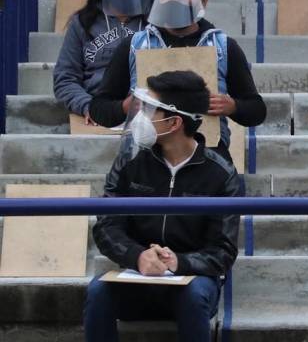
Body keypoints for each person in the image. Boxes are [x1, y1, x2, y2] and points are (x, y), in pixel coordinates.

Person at [84, 70, 240, 342]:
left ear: (174, 122)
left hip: (190, 280)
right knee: (98, 291)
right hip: (136, 275)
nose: (141, 117)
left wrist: (180, 261)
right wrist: (138, 256)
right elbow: (107, 226)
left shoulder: (220, 174)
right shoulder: (129, 162)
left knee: (194, 295)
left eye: (150, 109)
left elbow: (223, 251)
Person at [89, 0, 266, 160]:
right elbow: (98, 108)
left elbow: (257, 110)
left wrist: (233, 106)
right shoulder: (134, 46)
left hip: (206, 159)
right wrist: (126, 107)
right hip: (145, 158)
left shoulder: (224, 47)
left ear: (204, 0)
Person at [53, 0, 147, 125]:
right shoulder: (82, 23)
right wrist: (89, 107)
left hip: (148, 113)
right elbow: (65, 78)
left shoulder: (155, 23)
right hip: (98, 112)